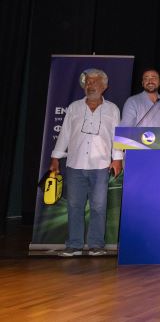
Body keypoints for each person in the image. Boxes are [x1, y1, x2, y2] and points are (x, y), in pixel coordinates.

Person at [50, 69, 123, 256]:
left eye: (95, 82)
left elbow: (117, 136)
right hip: (75, 164)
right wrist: (55, 158)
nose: (90, 85)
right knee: (75, 206)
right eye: (88, 82)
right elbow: (65, 133)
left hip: (101, 166)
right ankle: (74, 245)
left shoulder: (113, 109)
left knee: (99, 207)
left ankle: (96, 245)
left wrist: (117, 159)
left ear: (104, 86)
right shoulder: (74, 107)